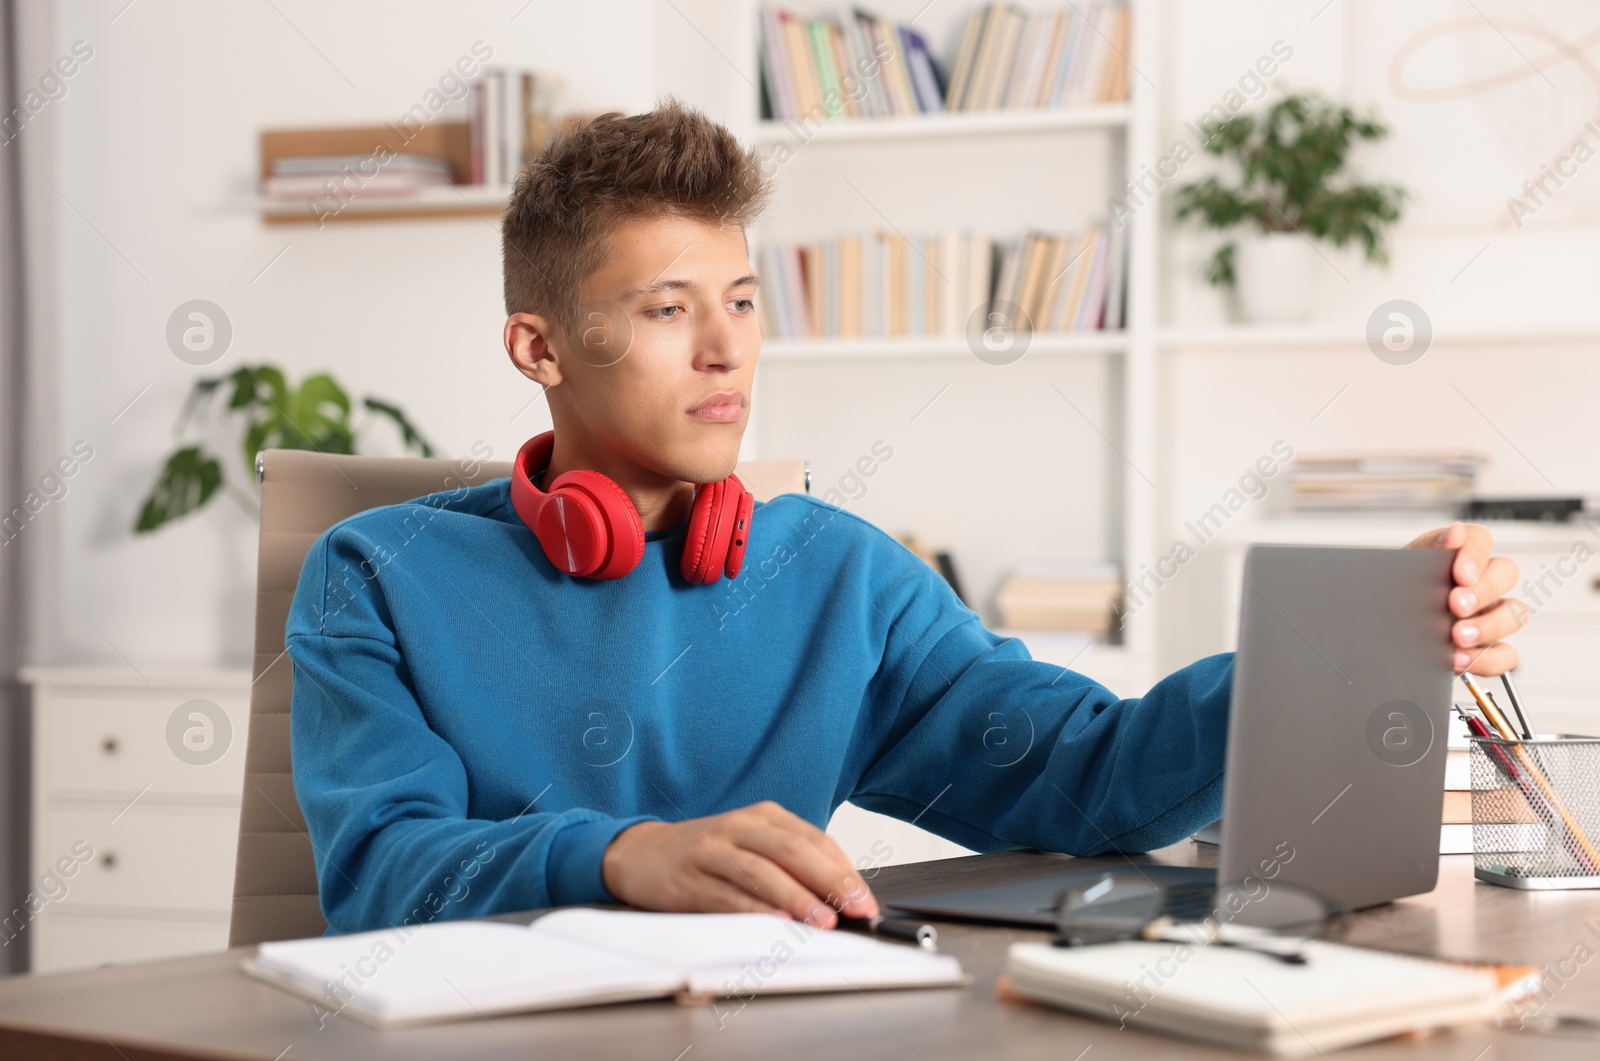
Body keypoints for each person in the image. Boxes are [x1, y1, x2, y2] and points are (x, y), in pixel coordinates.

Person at [285, 99, 1525, 936]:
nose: (727, 351)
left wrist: (1330, 651)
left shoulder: (834, 574)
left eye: (742, 299)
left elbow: (1084, 779)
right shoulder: (377, 571)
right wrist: (617, 857)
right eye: (668, 310)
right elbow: (382, 874)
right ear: (537, 345)